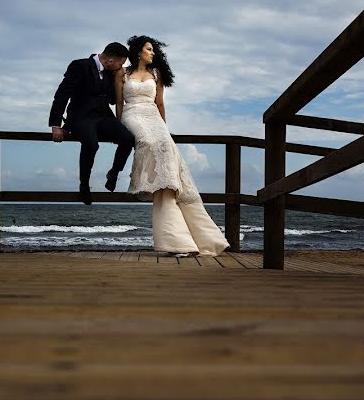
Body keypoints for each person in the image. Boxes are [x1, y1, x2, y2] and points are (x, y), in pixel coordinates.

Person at [114, 35, 229, 257]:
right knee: (148, 142)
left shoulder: (156, 74)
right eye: (149, 49)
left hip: (153, 115)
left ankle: (186, 240)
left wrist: (164, 129)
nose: (153, 53)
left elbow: (160, 103)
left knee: (165, 147)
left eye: (153, 50)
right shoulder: (122, 73)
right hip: (132, 115)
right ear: (139, 51)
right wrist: (119, 128)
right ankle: (177, 238)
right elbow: (119, 102)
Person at [49, 43, 135, 205]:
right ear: (109, 60)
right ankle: (84, 184)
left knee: (128, 138)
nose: (121, 67)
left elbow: (112, 99)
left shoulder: (112, 73)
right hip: (80, 118)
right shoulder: (79, 66)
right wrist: (55, 124)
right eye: (120, 63)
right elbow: (62, 95)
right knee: (91, 144)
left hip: (103, 118)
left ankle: (114, 172)